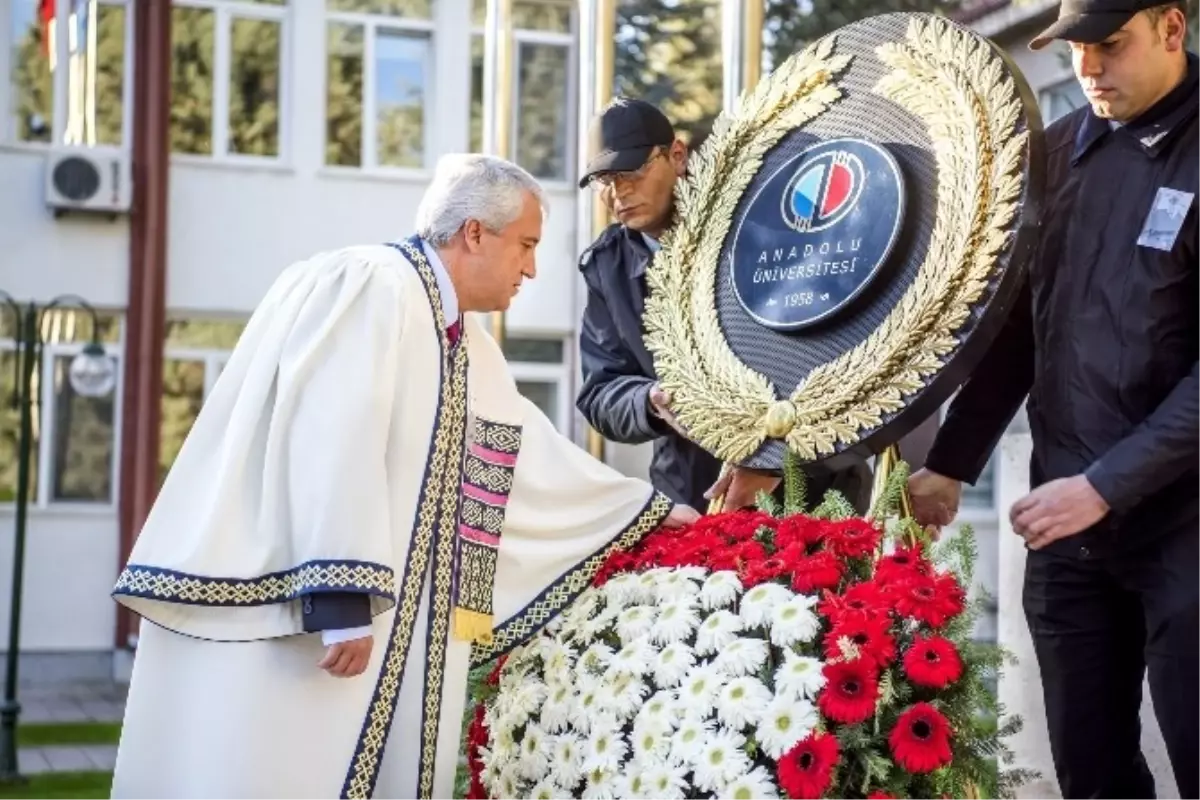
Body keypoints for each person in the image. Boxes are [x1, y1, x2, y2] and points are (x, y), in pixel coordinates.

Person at [108, 153, 698, 800]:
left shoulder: (462, 341)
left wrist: (638, 510)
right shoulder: (374, 286)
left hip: (395, 633)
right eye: (525, 245)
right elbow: (330, 431)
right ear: (475, 232)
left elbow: (518, 454)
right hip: (312, 623)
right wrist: (339, 597)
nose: (531, 267)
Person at [907, 2, 1200, 797]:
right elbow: (1017, 335)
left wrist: (1105, 487)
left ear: (1172, 29)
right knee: (1090, 774)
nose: (1090, 68)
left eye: (1111, 44)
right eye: (1076, 49)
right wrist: (950, 463)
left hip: (1184, 525)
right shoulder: (1055, 156)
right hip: (1070, 528)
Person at [575, 97, 873, 512]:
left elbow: (826, 349)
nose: (619, 191)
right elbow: (600, 392)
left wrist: (766, 463)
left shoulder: (763, 226)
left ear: (676, 155)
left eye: (632, 170)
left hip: (812, 490)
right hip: (693, 496)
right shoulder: (606, 266)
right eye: (604, 179)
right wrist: (650, 400)